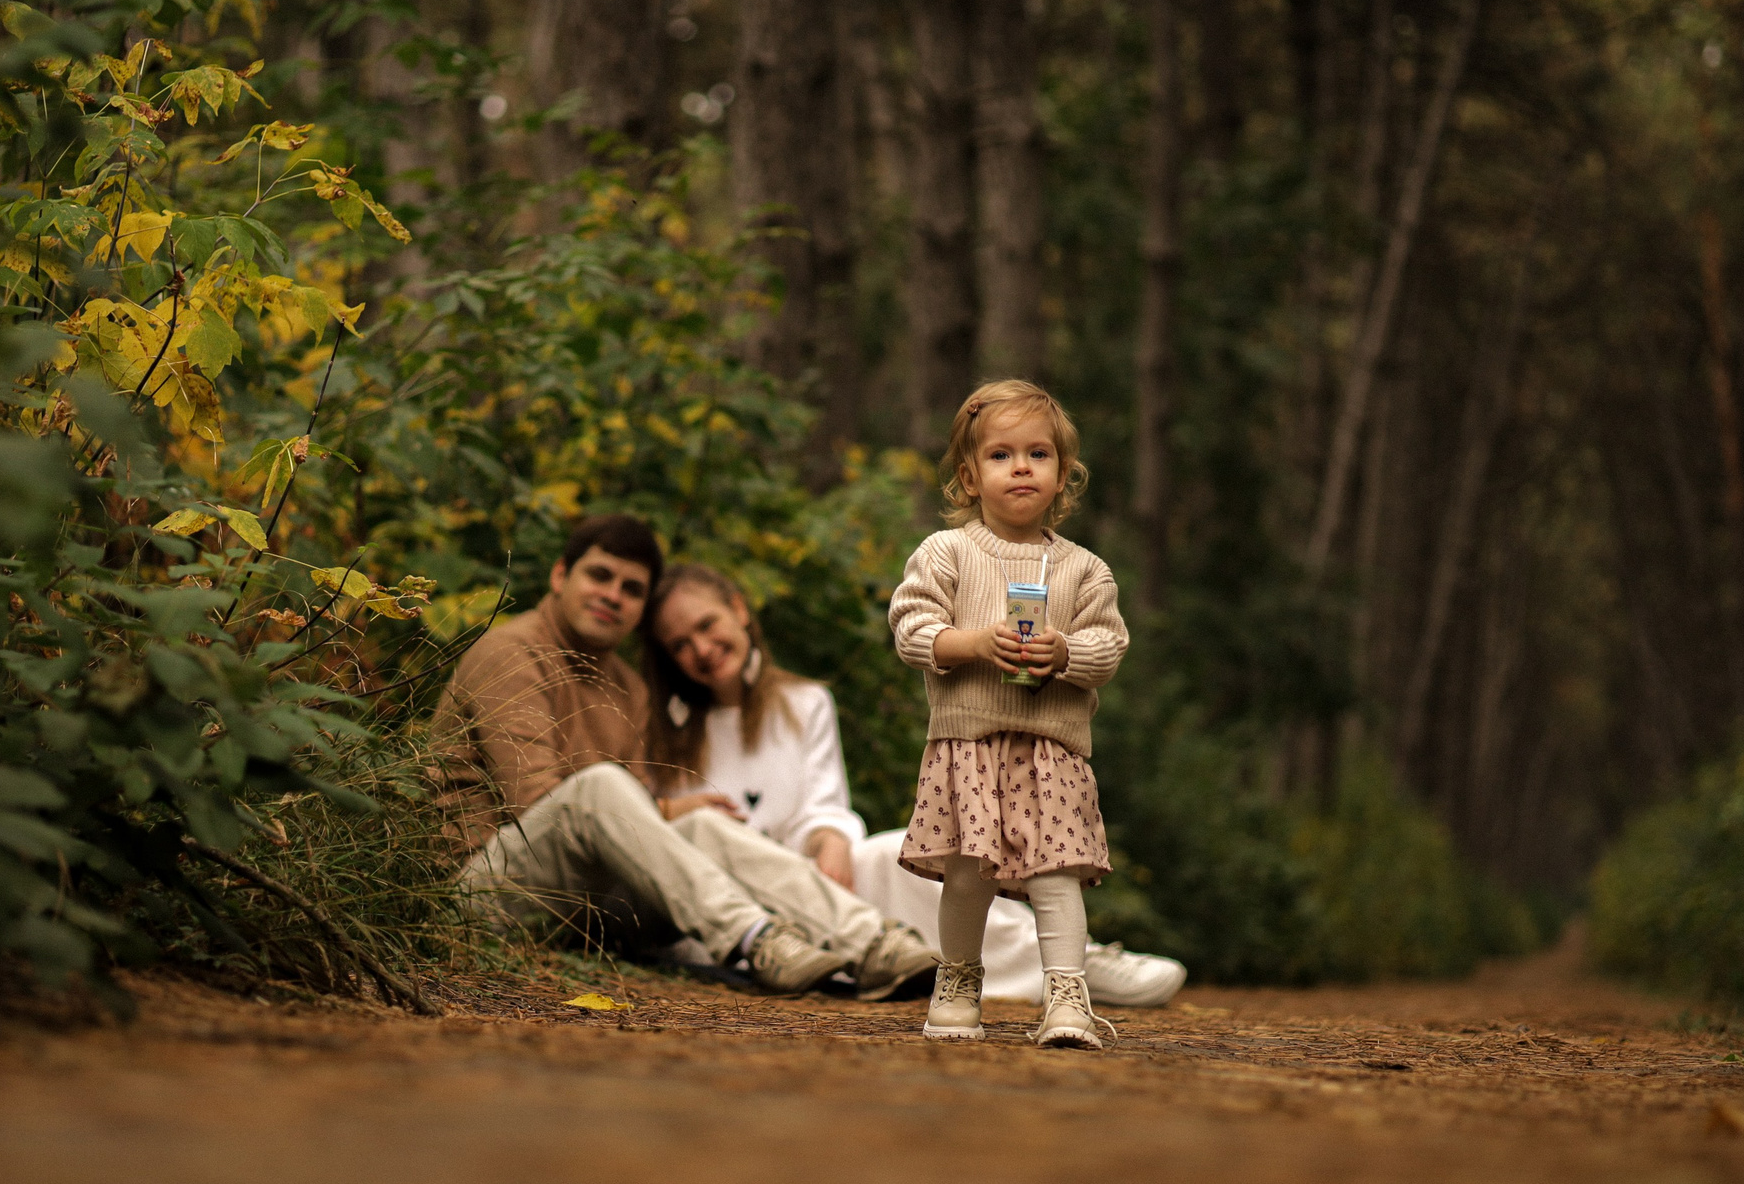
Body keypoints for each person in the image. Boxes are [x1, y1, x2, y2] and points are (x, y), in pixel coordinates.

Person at [431, 513, 939, 999]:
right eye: (600, 576)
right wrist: (669, 812)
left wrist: (677, 816)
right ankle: (755, 939)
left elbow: (631, 828)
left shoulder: (626, 690)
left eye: (632, 590)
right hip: (481, 894)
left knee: (707, 829)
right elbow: (536, 803)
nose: (613, 596)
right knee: (605, 788)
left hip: (584, 910)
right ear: (560, 575)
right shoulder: (511, 654)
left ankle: (873, 942)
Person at [643, 562, 1185, 1011]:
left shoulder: (802, 703)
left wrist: (827, 838)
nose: (701, 648)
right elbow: (651, 825)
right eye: (680, 644)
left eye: (708, 625)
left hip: (809, 877)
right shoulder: (665, 725)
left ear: (738, 610)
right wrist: (670, 807)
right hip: (734, 901)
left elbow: (823, 805)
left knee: (894, 852)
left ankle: (1068, 964)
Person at [892, 379, 1131, 1048]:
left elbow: (1108, 646)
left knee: (1057, 875)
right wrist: (970, 642)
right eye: (1000, 456)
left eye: (1038, 454)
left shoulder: (1085, 571)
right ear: (969, 477)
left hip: (1051, 747)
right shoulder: (947, 554)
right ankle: (959, 981)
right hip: (967, 743)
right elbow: (911, 629)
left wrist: (1064, 653)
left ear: (1064, 477)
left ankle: (1065, 995)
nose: (1021, 467)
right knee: (968, 874)